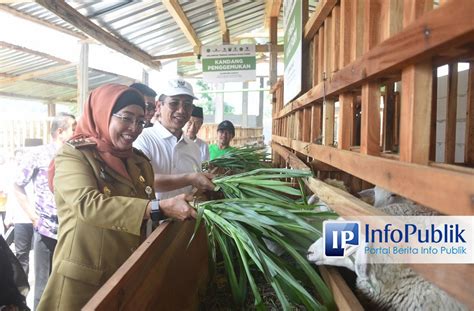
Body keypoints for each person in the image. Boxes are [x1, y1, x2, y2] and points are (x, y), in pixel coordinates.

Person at [37, 84, 196, 310]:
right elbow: (88, 204)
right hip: (85, 280)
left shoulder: (138, 161)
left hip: (126, 273)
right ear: (103, 113)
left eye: (140, 121)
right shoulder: (75, 156)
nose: (134, 128)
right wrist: (158, 208)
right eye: (126, 118)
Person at [14, 112, 77, 309]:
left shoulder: (77, 155)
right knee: (44, 286)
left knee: (68, 284)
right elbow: (17, 185)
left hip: (73, 230)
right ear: (60, 131)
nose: (78, 132)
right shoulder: (38, 154)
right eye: (74, 128)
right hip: (47, 230)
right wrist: (33, 217)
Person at [134, 78, 214, 200]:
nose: (181, 110)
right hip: (153, 218)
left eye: (187, 105)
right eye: (174, 103)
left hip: (186, 217)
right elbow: (142, 180)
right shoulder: (142, 139)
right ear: (159, 106)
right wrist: (190, 178)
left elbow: (194, 189)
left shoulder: (194, 148)